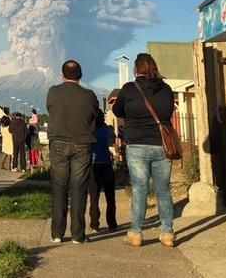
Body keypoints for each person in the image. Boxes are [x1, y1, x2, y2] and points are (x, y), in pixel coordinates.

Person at [113, 53, 176, 248]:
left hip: (137, 145)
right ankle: (167, 233)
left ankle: (136, 233)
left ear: (135, 69)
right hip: (161, 146)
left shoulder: (129, 89)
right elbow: (169, 111)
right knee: (163, 190)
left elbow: (117, 111)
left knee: (140, 189)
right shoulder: (166, 89)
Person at [46, 59, 101, 245]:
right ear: (80, 75)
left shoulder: (53, 92)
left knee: (59, 187)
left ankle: (57, 233)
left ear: (62, 75)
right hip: (82, 144)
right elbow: (95, 114)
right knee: (79, 188)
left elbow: (51, 109)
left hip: (58, 143)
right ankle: (78, 235)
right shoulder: (89, 95)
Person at [88, 115, 117, 232]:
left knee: (94, 197)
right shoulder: (107, 130)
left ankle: (94, 224)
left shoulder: (90, 130)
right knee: (110, 197)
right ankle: (112, 223)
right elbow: (112, 140)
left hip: (93, 164)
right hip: (106, 164)